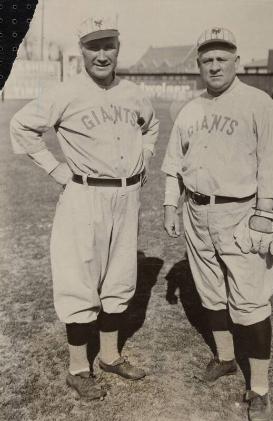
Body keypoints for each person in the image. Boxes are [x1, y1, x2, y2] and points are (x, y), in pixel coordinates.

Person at [10, 16, 159, 401]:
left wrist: (144, 156)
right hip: (84, 196)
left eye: (108, 44)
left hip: (127, 197)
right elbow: (20, 126)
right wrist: (55, 168)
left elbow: (152, 126)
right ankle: (79, 368)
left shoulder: (135, 93)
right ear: (82, 51)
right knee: (79, 280)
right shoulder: (64, 92)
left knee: (120, 278)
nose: (102, 54)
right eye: (94, 46)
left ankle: (109, 356)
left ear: (118, 47)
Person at [162, 27, 273, 421]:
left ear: (236, 59)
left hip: (241, 212)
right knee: (210, 292)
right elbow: (173, 164)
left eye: (222, 58)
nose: (214, 65)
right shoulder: (189, 109)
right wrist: (171, 206)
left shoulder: (258, 103)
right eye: (207, 59)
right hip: (196, 212)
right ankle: (224, 359)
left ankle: (259, 388)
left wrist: (264, 215)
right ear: (199, 65)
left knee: (251, 299)